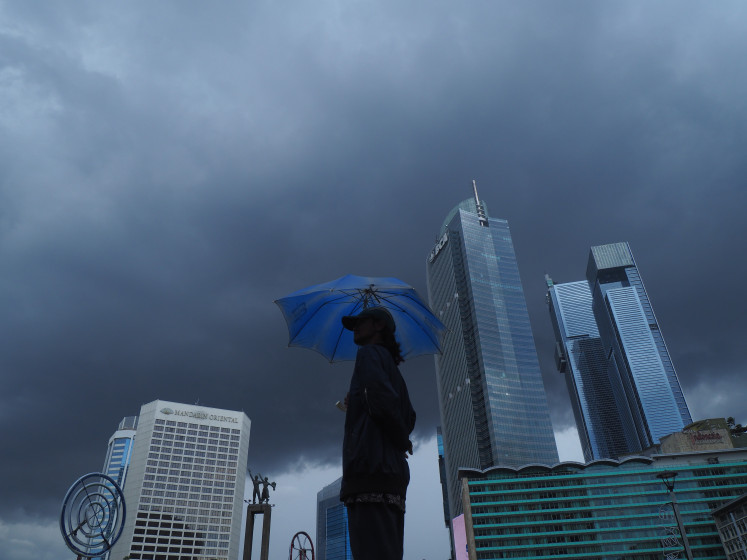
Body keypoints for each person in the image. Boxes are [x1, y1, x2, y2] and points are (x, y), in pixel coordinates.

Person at [339, 307, 416, 560]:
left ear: (379, 325)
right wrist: (361, 399)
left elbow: (383, 404)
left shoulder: (368, 354)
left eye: (361, 322)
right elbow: (409, 416)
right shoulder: (395, 373)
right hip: (391, 477)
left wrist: (401, 440)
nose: (355, 327)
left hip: (369, 471)